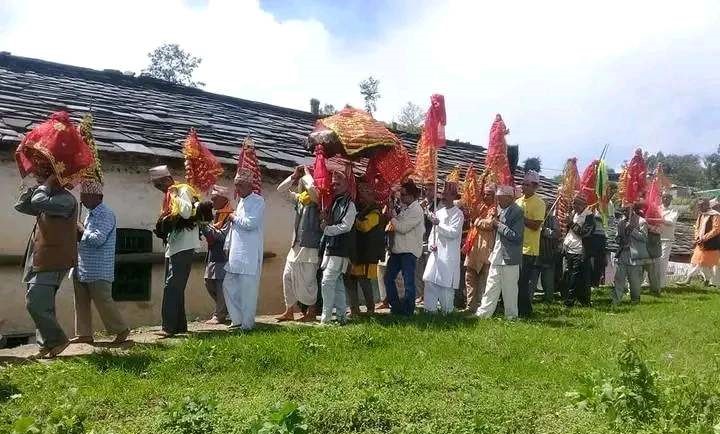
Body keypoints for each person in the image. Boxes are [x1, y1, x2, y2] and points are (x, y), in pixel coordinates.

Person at [15, 167, 77, 358]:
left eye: (44, 175)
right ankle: (46, 345)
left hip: (53, 259)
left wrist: (47, 184)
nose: (39, 178)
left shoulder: (65, 199)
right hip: (40, 258)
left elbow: (38, 201)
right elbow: (23, 206)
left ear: (56, 178)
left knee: (35, 303)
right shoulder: (47, 196)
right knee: (43, 304)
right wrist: (36, 187)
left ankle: (58, 340)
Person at [70, 179, 129, 344]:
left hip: (98, 268)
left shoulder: (105, 214)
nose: (81, 199)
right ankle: (84, 334)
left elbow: (97, 239)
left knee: (103, 301)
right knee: (80, 302)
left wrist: (81, 228)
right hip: (82, 266)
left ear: (97, 196)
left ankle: (121, 330)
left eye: (84, 196)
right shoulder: (90, 214)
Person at [150, 165, 200, 338]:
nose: (159, 189)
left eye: (159, 185)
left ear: (167, 180)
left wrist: (173, 194)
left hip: (184, 244)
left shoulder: (182, 190)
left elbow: (186, 213)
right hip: (173, 244)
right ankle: (179, 326)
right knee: (174, 287)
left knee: (172, 286)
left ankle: (168, 327)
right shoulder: (169, 195)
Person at [274, 166, 322, 322]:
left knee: (309, 281)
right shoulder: (300, 199)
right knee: (287, 276)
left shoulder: (317, 200)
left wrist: (308, 175)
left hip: (311, 247)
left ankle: (312, 312)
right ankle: (289, 310)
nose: (303, 183)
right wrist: (294, 176)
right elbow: (281, 190)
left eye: (304, 181)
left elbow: (314, 192)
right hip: (296, 245)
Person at [223, 171, 265, 330]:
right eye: (236, 185)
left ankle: (247, 325)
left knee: (248, 291)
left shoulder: (258, 201)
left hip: (249, 254)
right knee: (228, 285)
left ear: (250, 185)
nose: (237, 188)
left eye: (240, 185)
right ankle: (237, 319)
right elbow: (234, 229)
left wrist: (233, 217)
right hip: (235, 254)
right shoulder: (240, 202)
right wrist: (227, 245)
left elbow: (251, 224)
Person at [475, 185, 524, 320]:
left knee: (510, 290)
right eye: (497, 198)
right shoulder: (498, 210)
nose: (498, 201)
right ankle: (483, 314)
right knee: (491, 286)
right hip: (497, 254)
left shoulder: (517, 212)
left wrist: (498, 225)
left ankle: (511, 317)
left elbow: (516, 236)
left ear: (509, 198)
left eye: (500, 198)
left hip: (510, 257)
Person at [319, 171, 356, 324]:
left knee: (327, 282)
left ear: (346, 185)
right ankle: (341, 317)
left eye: (338, 184)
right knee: (338, 283)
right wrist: (325, 219)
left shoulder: (350, 204)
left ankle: (326, 319)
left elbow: (346, 227)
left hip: (340, 248)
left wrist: (327, 229)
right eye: (333, 184)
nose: (334, 186)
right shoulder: (335, 202)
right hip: (331, 247)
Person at [423, 182, 464, 314]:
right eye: (443, 194)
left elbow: (453, 233)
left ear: (453, 196)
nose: (443, 197)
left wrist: (438, 224)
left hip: (448, 255)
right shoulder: (439, 212)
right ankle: (430, 311)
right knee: (430, 281)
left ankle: (448, 313)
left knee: (445, 285)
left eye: (446, 195)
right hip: (435, 254)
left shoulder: (458, 214)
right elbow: (432, 235)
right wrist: (431, 245)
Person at [385, 180, 425, 315]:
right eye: (400, 194)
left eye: (403, 194)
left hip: (409, 252)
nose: (401, 197)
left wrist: (392, 218)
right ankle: (396, 307)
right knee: (388, 278)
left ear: (412, 196)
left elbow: (402, 228)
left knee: (409, 283)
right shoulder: (405, 208)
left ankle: (408, 311)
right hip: (398, 251)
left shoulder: (417, 210)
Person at [346, 180, 385, 316]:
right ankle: (354, 309)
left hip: (368, 254)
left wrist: (351, 219)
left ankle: (370, 309)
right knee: (350, 281)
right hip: (356, 253)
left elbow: (365, 227)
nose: (363, 194)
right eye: (361, 191)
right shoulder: (358, 208)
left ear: (373, 195)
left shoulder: (375, 212)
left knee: (364, 282)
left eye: (367, 192)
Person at [200, 185, 233, 325]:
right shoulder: (217, 215)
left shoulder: (231, 215)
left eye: (214, 199)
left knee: (220, 285)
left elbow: (222, 236)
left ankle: (219, 315)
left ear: (223, 199)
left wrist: (204, 225)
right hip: (213, 254)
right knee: (209, 283)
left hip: (224, 255)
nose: (212, 202)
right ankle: (225, 309)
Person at [515, 170, 546, 317]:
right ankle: (516, 308)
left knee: (523, 282)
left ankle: (525, 310)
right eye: (523, 184)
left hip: (529, 249)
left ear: (534, 187)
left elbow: (536, 225)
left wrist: (521, 217)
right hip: (515, 246)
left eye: (527, 185)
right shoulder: (518, 201)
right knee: (515, 280)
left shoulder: (539, 203)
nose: (523, 187)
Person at [462, 184, 496, 313]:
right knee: (469, 277)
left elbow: (490, 224)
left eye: (489, 194)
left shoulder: (495, 209)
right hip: (473, 248)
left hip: (486, 249)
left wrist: (476, 220)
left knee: (484, 280)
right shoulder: (480, 207)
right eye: (485, 194)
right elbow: (473, 217)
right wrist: (476, 218)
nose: (486, 196)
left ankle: (482, 307)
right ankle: (470, 306)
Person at [613, 204, 655, 304]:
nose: (625, 213)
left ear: (632, 210)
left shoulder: (641, 221)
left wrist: (632, 230)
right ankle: (615, 301)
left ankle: (635, 300)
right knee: (619, 278)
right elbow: (617, 237)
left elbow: (644, 238)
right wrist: (619, 238)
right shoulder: (621, 222)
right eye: (623, 211)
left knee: (634, 281)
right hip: (623, 253)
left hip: (635, 255)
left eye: (627, 210)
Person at [679, 198, 720, 286]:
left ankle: (688, 279)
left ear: (707, 205)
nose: (700, 207)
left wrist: (704, 238)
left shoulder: (715, 215)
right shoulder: (701, 215)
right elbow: (697, 227)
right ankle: (707, 281)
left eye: (702, 205)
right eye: (699, 205)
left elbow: (716, 229)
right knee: (696, 263)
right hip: (700, 245)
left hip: (710, 245)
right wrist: (697, 237)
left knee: (701, 264)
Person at [562, 196, 594, 307]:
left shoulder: (589, 216)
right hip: (570, 250)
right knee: (570, 276)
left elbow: (585, 233)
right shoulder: (574, 213)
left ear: (583, 205)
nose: (574, 206)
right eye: (573, 203)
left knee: (575, 278)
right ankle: (579, 300)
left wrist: (571, 223)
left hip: (579, 251)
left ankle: (570, 301)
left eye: (576, 203)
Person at [416, 181, 436, 303]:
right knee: (418, 270)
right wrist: (420, 208)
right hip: (419, 239)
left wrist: (427, 211)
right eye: (426, 190)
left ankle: (429, 295)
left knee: (428, 269)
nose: (428, 192)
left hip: (430, 239)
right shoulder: (419, 204)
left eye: (430, 190)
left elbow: (435, 219)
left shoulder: (438, 205)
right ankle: (420, 294)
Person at [537, 201, 561, 303]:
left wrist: (544, 231)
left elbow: (556, 234)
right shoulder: (536, 217)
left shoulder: (552, 219)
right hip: (536, 252)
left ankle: (549, 298)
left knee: (547, 277)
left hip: (548, 252)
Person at [654, 193, 678, 288]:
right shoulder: (658, 208)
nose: (665, 199)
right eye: (663, 197)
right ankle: (650, 282)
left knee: (663, 260)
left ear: (671, 199)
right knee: (654, 260)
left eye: (667, 197)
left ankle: (661, 284)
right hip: (656, 237)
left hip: (667, 239)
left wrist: (660, 219)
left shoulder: (674, 210)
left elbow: (671, 222)